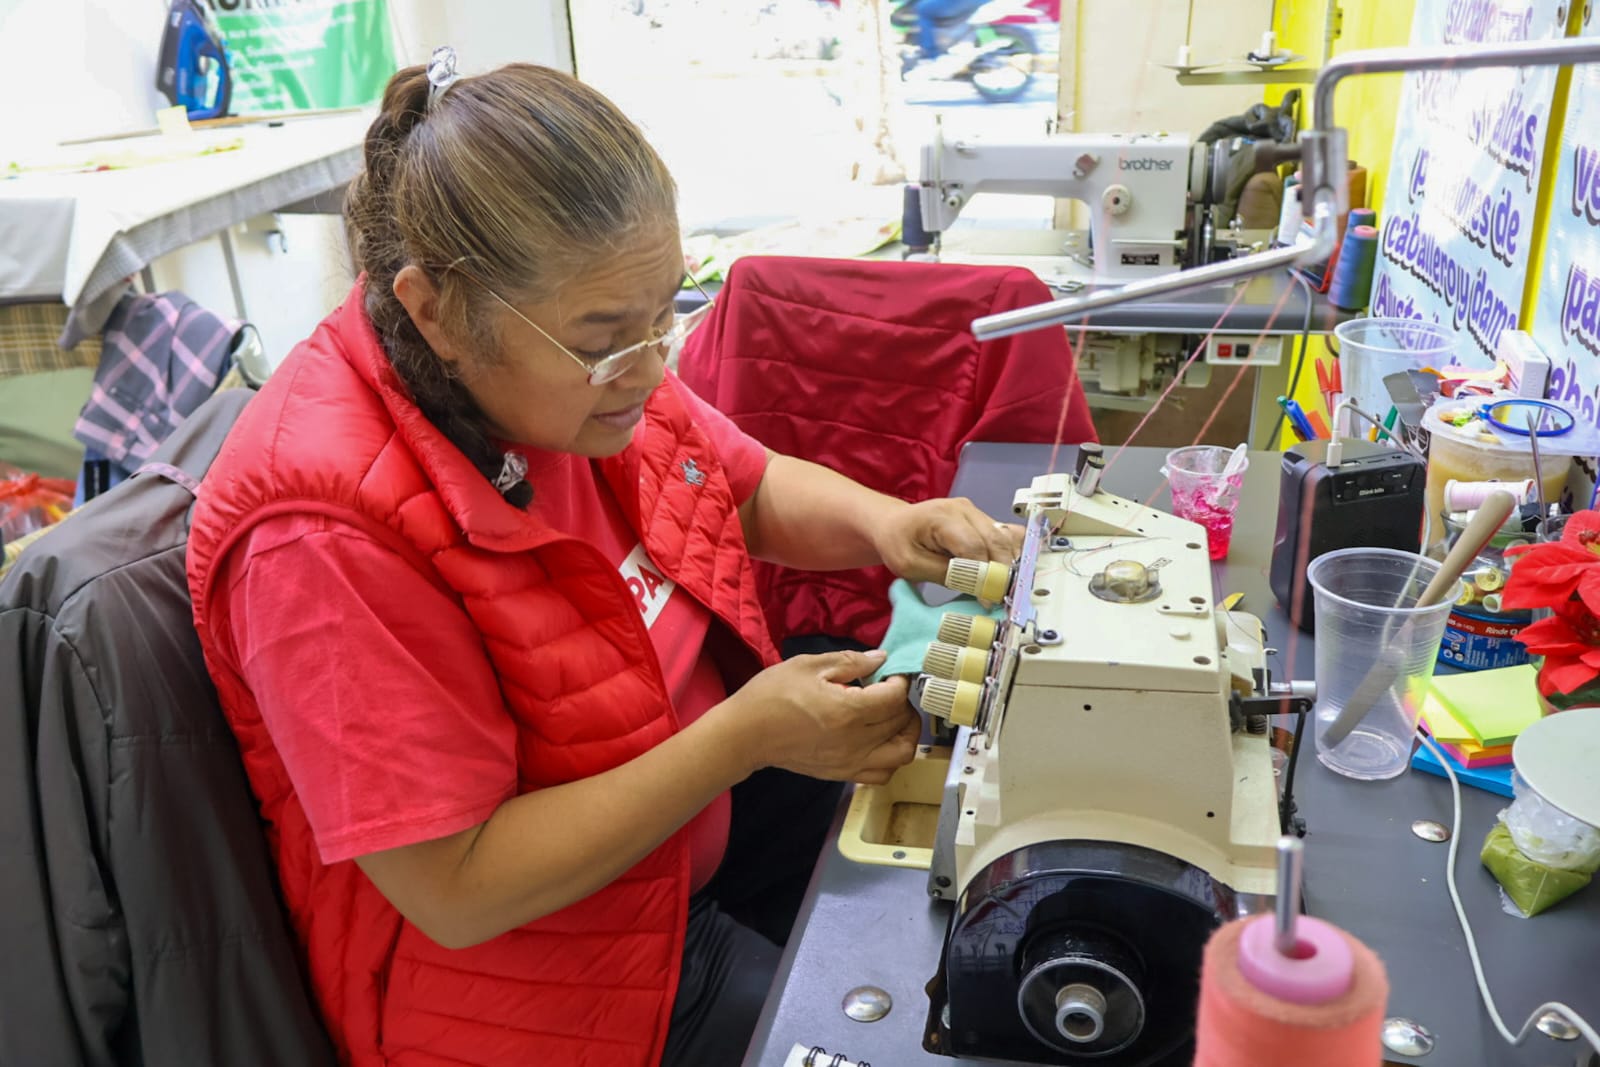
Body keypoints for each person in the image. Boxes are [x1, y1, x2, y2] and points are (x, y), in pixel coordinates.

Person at [184, 51, 1022, 1067]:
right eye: (606, 337)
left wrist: (887, 524)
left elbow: (741, 483)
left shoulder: (574, 375)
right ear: (435, 309)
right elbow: (457, 887)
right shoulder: (321, 535)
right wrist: (740, 737)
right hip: (549, 985)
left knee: (967, 888)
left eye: (666, 312)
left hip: (679, 849)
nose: (651, 366)